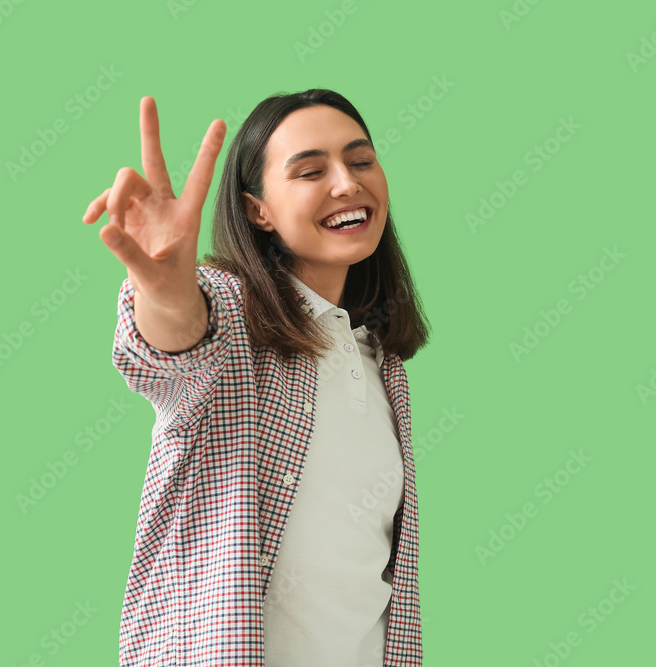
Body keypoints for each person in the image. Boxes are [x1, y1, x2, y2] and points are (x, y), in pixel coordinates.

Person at [81, 90, 430, 666]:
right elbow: (172, 346)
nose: (346, 183)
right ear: (257, 211)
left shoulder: (382, 364)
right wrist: (165, 294)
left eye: (361, 160)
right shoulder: (230, 316)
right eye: (311, 170)